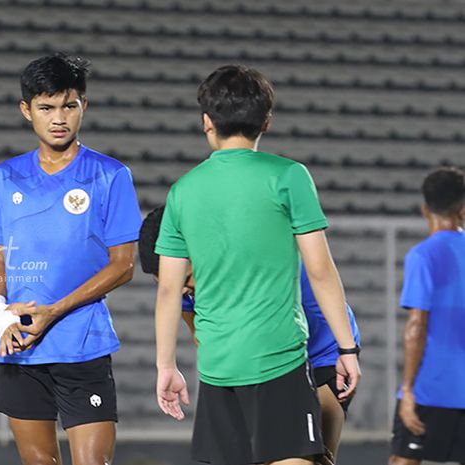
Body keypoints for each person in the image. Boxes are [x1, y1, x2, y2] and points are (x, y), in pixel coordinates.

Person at [153, 64, 362, 465]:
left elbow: (167, 290)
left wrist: (166, 366)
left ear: (206, 122)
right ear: (266, 121)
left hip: (217, 369)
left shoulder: (182, 191)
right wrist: (346, 349)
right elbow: (320, 271)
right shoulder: (289, 176)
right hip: (279, 361)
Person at [0, 53, 142, 465]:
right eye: (46, 107)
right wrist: (0, 314)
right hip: (21, 348)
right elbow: (0, 261)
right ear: (26, 110)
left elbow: (123, 265)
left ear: (84, 105)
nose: (59, 118)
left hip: (81, 344)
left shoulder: (111, 175)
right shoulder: (3, 177)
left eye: (69, 105)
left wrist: (55, 311)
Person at [139, 206, 361, 463]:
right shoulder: (185, 288)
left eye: (187, 280)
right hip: (254, 363)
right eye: (170, 286)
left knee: (309, 455)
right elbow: (202, 333)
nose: (182, 293)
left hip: (321, 356)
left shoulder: (268, 261)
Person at [389, 167, 465, 465]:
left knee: (403, 461)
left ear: (425, 209)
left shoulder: (423, 255)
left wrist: (407, 390)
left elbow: (416, 326)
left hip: (433, 387)